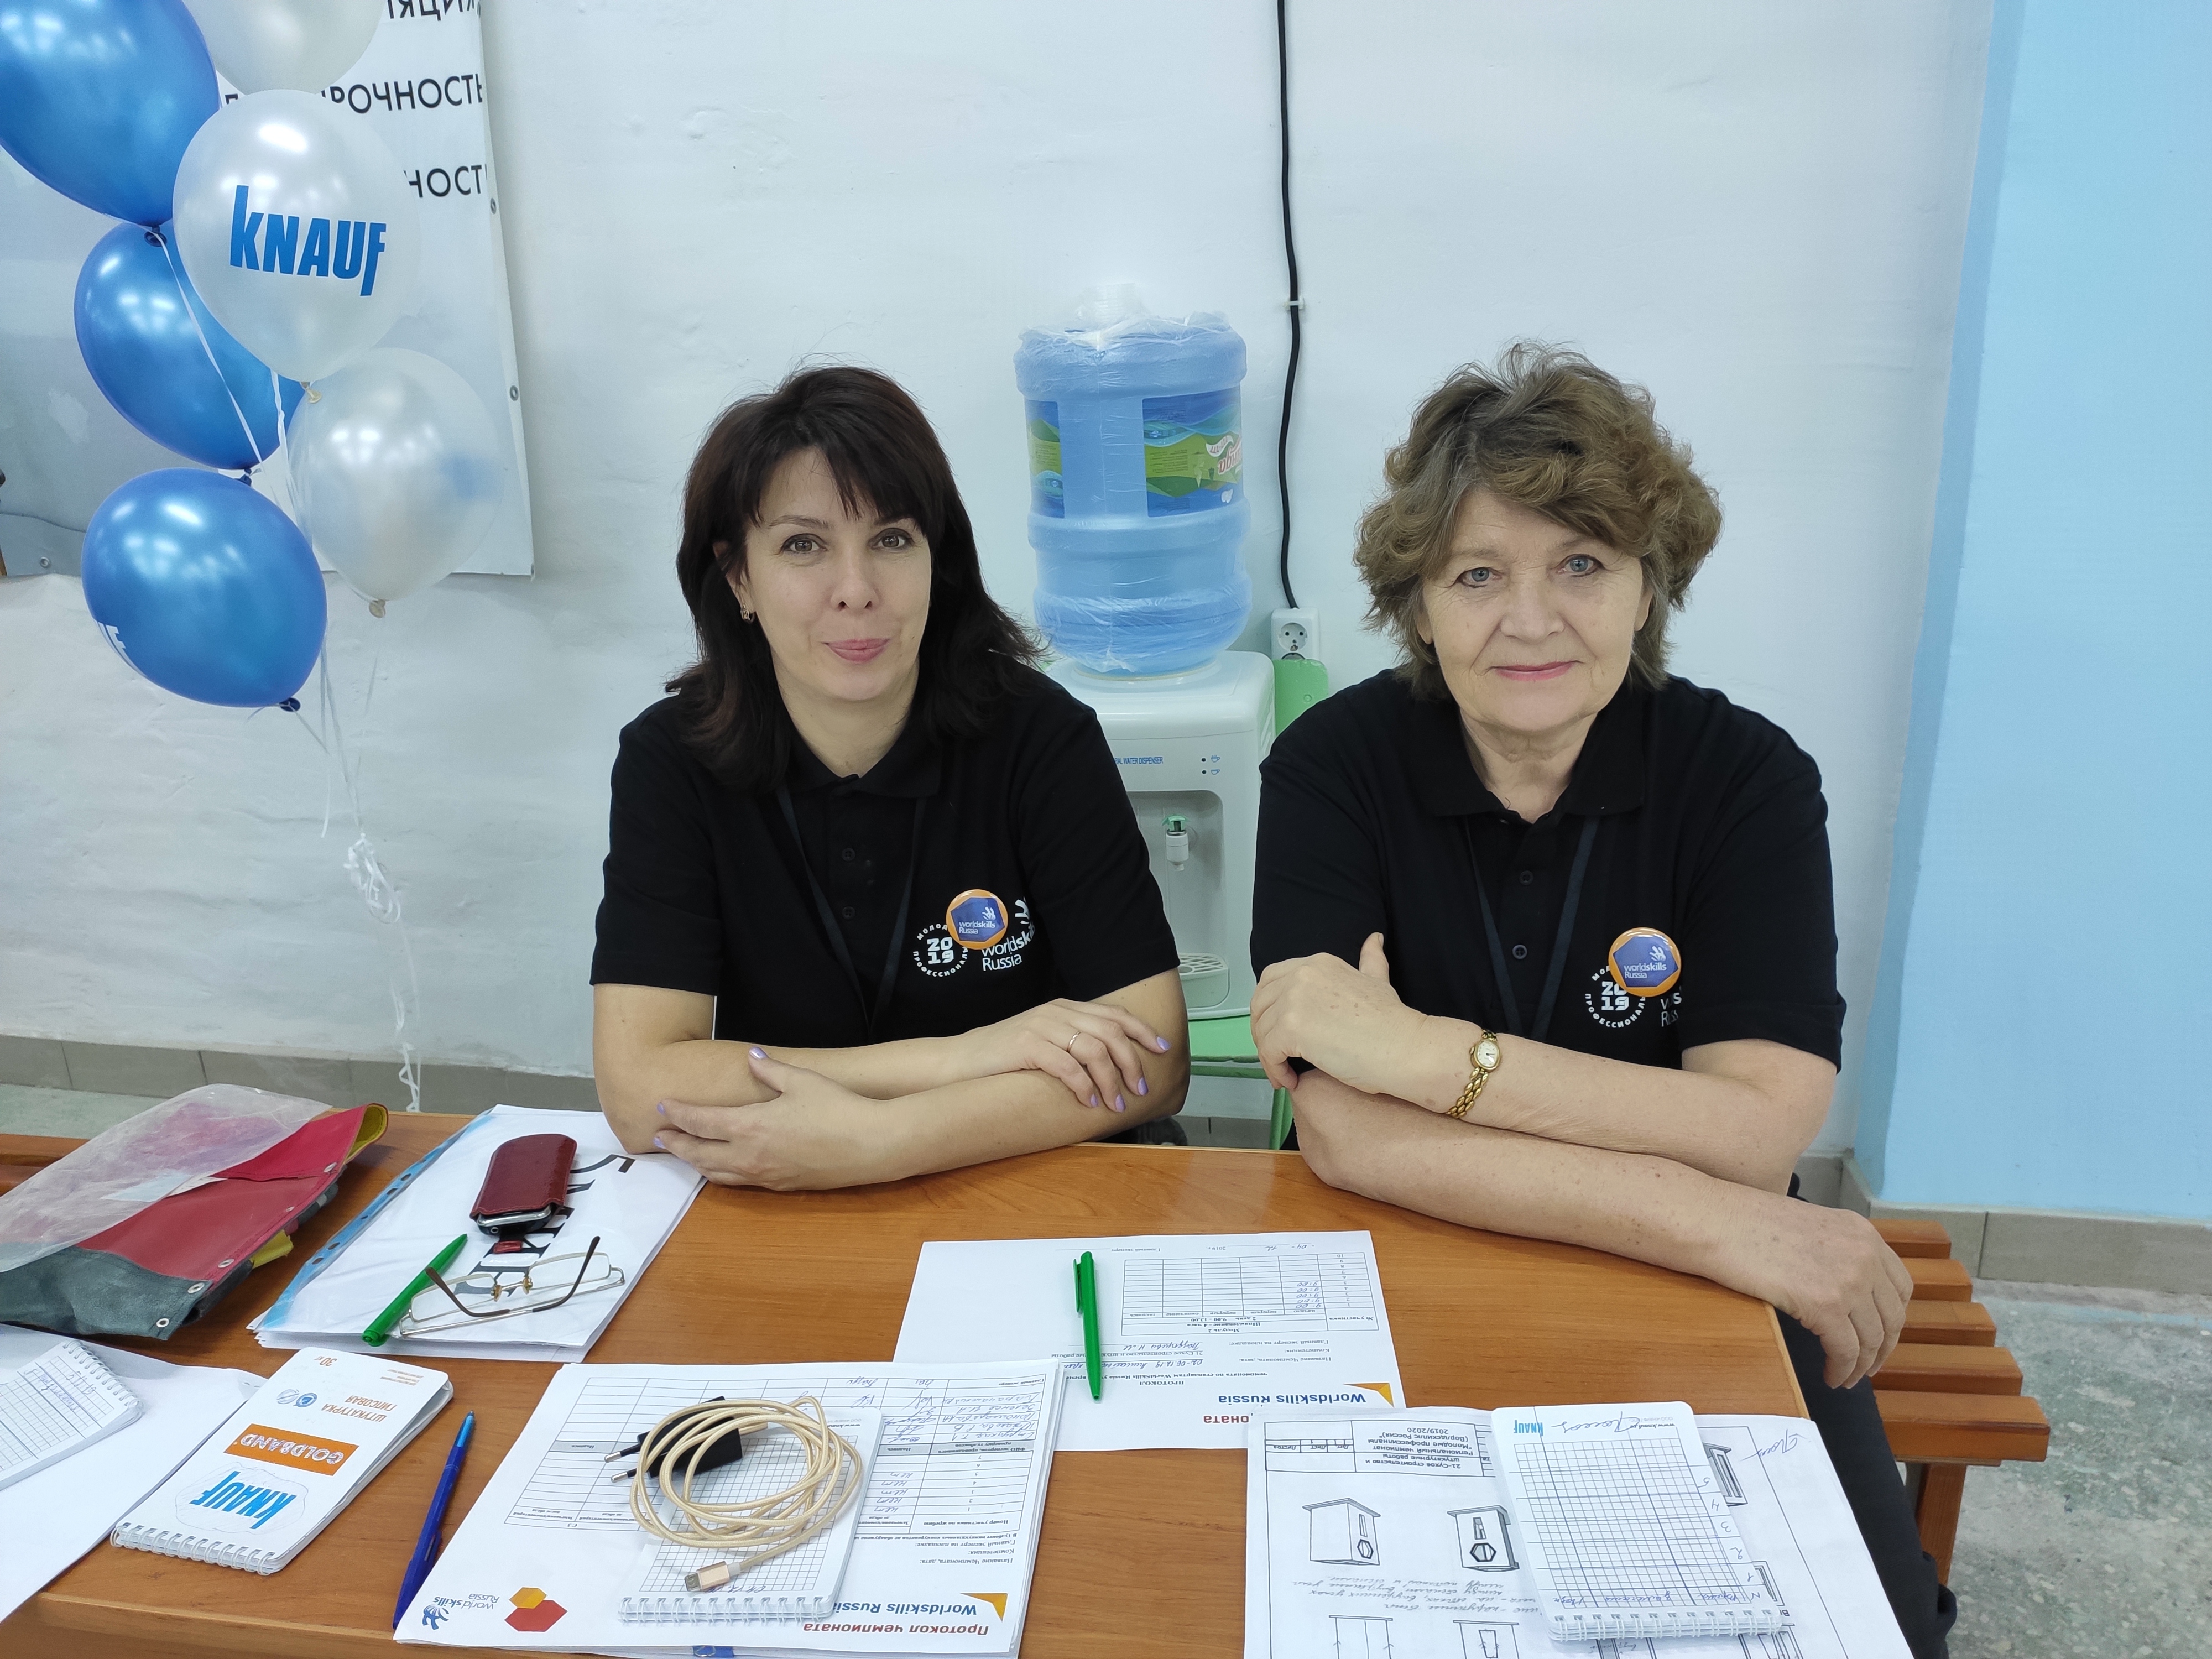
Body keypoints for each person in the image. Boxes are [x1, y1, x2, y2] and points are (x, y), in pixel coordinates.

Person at [1249, 345, 1953, 1656]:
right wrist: (1705, 1212)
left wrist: (1420, 1055)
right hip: (1410, 1256)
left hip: (1702, 1277)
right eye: (1476, 575)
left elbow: (1754, 1131)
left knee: (1875, 1629)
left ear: (1648, 585)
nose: (1529, 621)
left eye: (1579, 564)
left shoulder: (1744, 781)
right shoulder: (1330, 768)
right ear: (1417, 607)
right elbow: (1341, 1133)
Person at [592, 366, 1188, 1188]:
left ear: (938, 559)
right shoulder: (671, 760)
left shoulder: (1042, 737)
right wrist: (961, 1058)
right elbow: (640, 1090)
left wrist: (880, 1142)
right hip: (784, 1180)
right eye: (803, 545)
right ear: (738, 578)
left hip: (1023, 1181)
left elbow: (1155, 1059)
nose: (857, 591)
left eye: (892, 540)